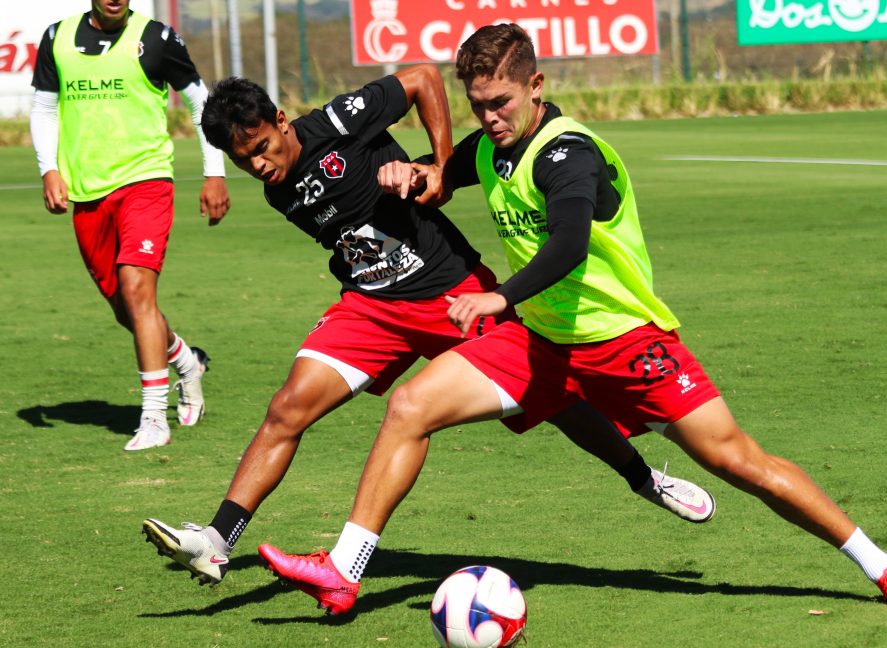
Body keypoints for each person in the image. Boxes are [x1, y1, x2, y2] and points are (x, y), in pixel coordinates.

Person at [258, 23, 887, 616]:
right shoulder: (492, 147)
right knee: (408, 405)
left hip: (627, 344)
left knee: (742, 461)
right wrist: (419, 174)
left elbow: (568, 242)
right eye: (478, 106)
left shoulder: (567, 152)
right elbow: (447, 172)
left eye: (500, 103)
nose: (489, 117)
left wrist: (500, 296)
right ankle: (344, 570)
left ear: (536, 86)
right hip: (541, 342)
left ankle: (884, 567)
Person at [141, 69, 716, 587]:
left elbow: (421, 80)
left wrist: (437, 166)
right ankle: (216, 542)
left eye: (261, 148)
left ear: (281, 120)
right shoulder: (276, 186)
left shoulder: (339, 121)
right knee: (288, 407)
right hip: (369, 307)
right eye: (243, 162)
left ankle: (645, 480)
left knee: (558, 398)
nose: (258, 166)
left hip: (452, 294)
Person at [30, 0, 230, 450]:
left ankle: (154, 418)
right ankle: (186, 360)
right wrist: (49, 169)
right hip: (86, 192)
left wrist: (213, 172)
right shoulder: (56, 38)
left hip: (146, 181)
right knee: (126, 308)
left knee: (138, 289)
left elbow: (202, 103)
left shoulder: (157, 38)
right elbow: (44, 108)